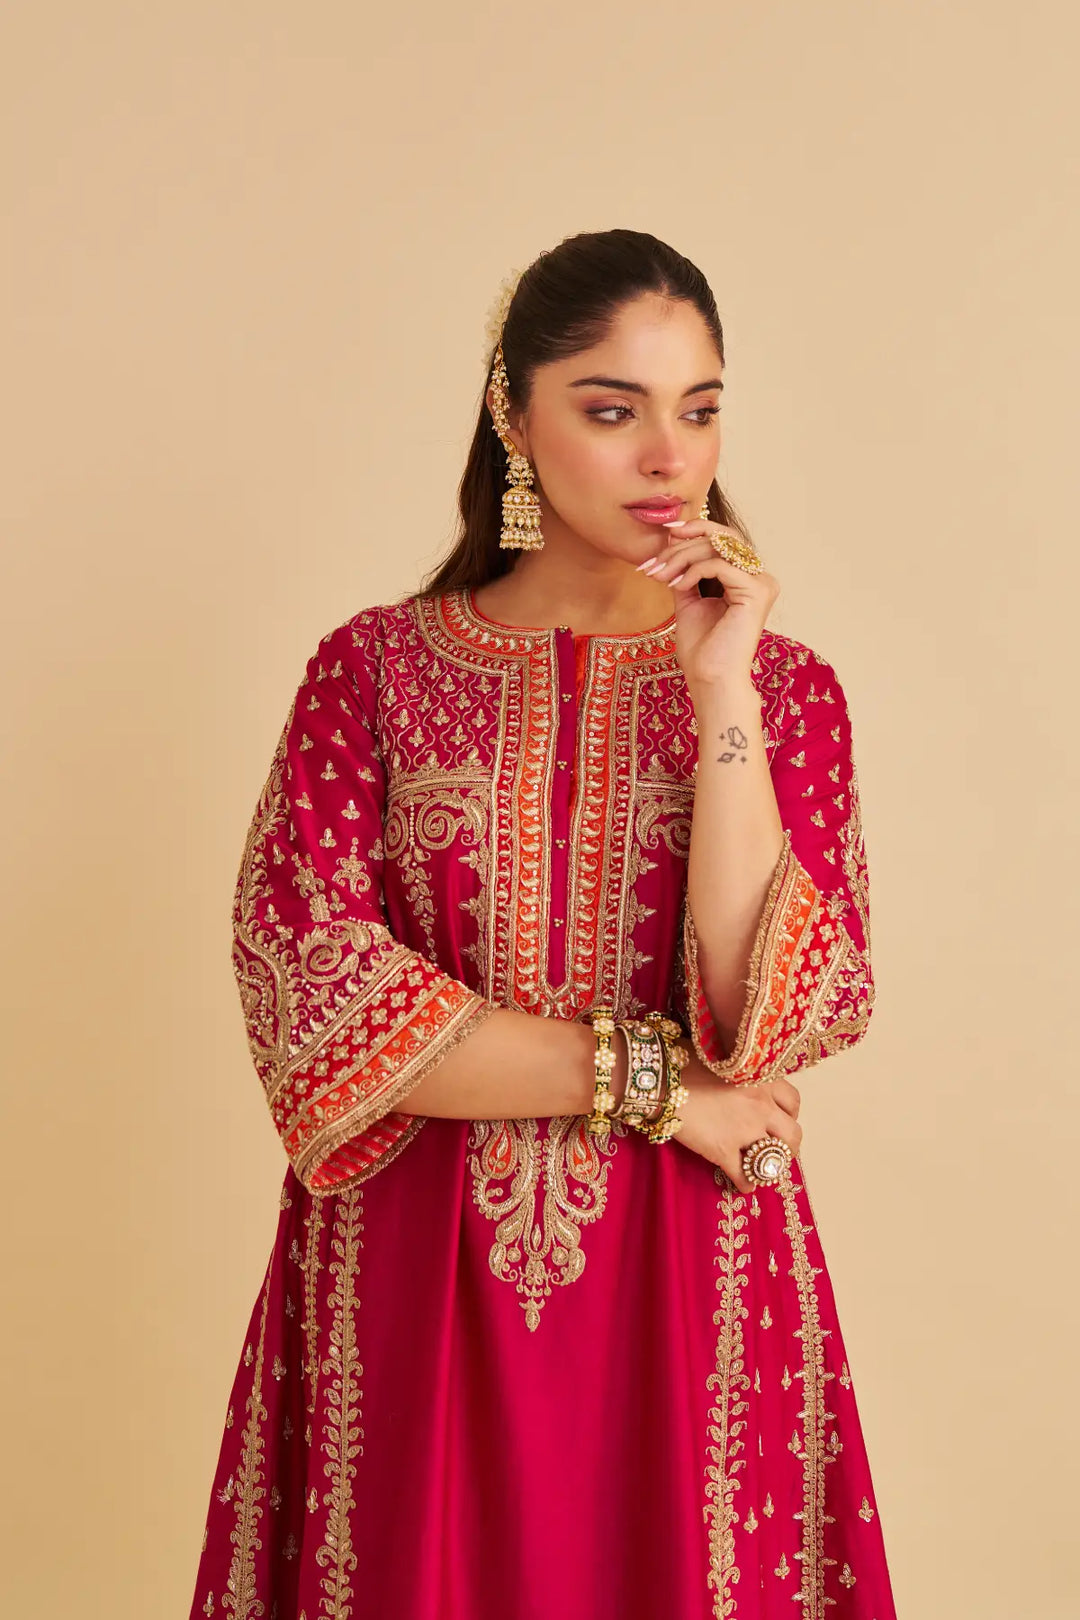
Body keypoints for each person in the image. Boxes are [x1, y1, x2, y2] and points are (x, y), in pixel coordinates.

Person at [187, 228, 897, 1620]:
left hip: (691, 1284)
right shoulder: (374, 673)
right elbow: (307, 989)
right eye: (610, 407)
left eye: (697, 409)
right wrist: (651, 1087)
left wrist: (724, 693)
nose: (665, 457)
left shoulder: (784, 689)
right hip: (411, 1275)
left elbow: (770, 1016)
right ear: (515, 418)